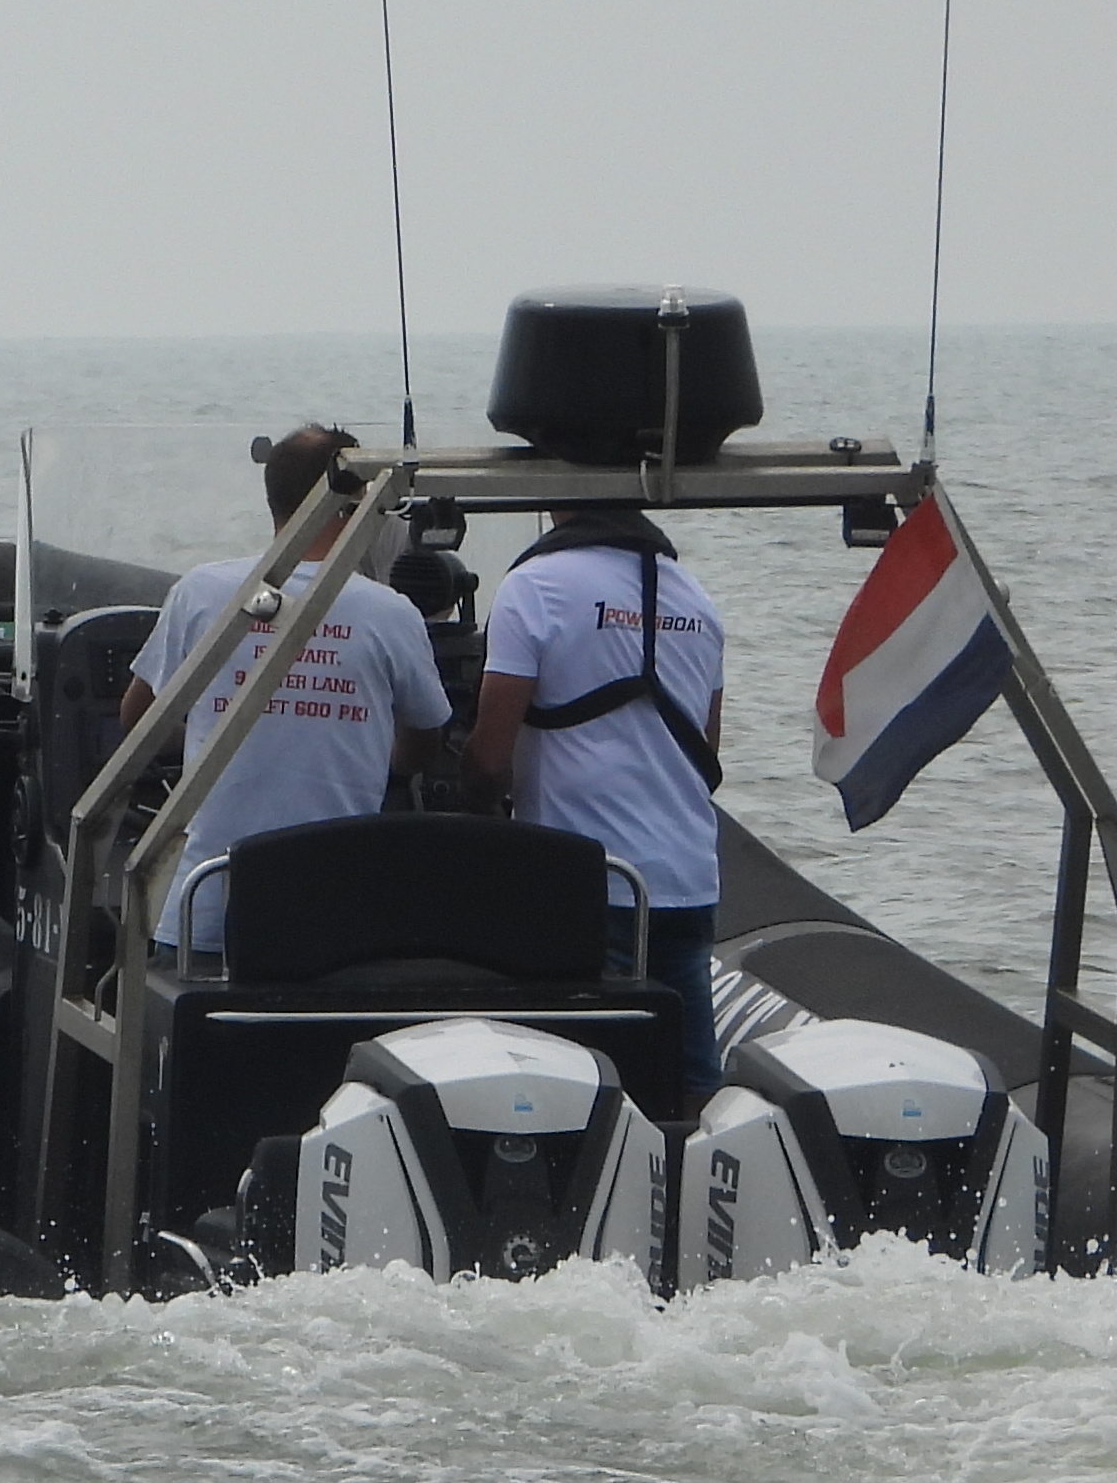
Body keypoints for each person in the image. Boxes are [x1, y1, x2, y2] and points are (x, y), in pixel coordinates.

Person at [119, 425, 452, 953]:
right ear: (354, 503)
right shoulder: (391, 614)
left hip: (205, 907)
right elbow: (423, 744)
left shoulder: (200, 593)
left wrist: (220, 729)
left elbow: (138, 719)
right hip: (335, 914)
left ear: (273, 498)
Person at [468, 506, 730, 1097]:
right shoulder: (697, 597)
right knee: (690, 1082)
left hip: (583, 886)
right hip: (687, 881)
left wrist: (474, 803)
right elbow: (706, 754)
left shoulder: (536, 586)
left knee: (575, 1080)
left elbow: (488, 759)